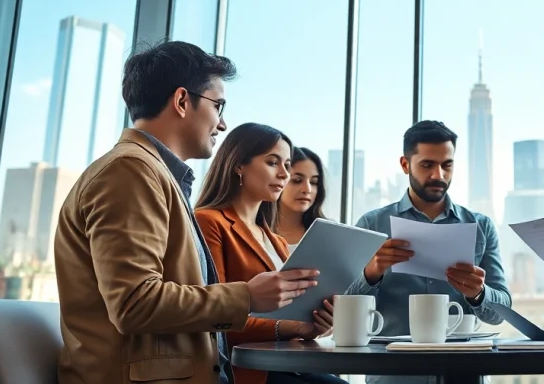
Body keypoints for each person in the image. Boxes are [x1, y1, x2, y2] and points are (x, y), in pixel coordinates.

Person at [55, 41, 319, 384]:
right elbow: (134, 303)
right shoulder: (130, 172)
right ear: (182, 101)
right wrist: (248, 296)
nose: (222, 125)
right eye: (218, 106)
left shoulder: (154, 175)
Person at [345, 120, 511, 384]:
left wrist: (478, 294)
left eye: (447, 165)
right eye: (427, 165)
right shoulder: (371, 224)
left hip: (463, 374)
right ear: (404, 164)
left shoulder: (482, 226)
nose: (439, 175)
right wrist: (372, 272)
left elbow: (500, 312)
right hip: (393, 375)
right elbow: (343, 307)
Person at [195, 123, 344, 384]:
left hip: (288, 362)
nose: (284, 174)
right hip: (244, 371)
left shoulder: (275, 240)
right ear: (239, 165)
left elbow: (291, 316)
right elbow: (216, 316)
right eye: (273, 163)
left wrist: (320, 324)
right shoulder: (210, 222)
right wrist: (293, 328)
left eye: (287, 164)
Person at [273, 147, 329, 248]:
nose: (307, 189)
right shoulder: (255, 231)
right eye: (297, 180)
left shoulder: (327, 234)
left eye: (314, 182)